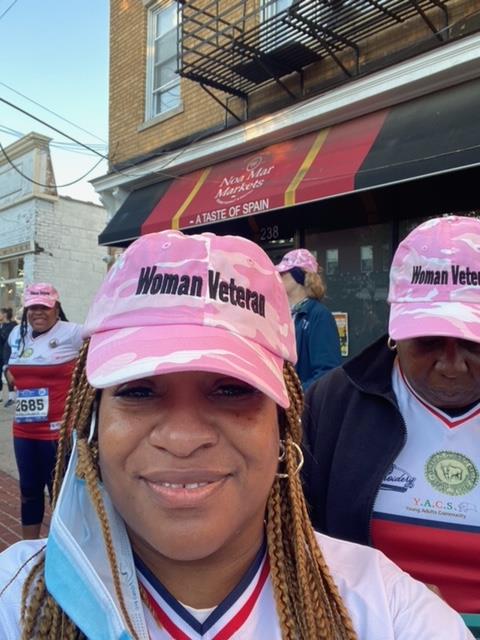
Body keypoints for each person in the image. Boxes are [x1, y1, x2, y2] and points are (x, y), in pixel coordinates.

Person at [0, 230, 472, 640]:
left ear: (284, 425)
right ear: (93, 420)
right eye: (139, 390)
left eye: (232, 388)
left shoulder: (390, 613)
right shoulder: (15, 599)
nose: (183, 438)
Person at [301, 215, 480, 615]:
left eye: (474, 343)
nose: (452, 365)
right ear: (395, 331)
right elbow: (293, 534)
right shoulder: (334, 403)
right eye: (429, 341)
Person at [5, 283, 83, 540]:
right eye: (33, 307)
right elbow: (10, 360)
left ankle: (65, 550)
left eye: (45, 307)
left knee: (60, 493)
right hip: (23, 430)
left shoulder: (72, 333)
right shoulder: (18, 333)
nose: (38, 312)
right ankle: (29, 548)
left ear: (56, 308)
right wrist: (8, 370)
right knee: (28, 491)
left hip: (57, 433)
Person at [276, 248, 341, 390]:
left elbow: (327, 373)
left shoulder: (319, 315)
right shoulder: (282, 315)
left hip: (303, 409)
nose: (279, 275)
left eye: (284, 271)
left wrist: (294, 398)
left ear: (299, 276)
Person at [0, 308, 17, 406]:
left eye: (0, 313)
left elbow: (8, 339)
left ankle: (12, 397)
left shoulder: (13, 326)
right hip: (1, 353)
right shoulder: (2, 326)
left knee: (9, 375)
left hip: (9, 354)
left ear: (5, 314)